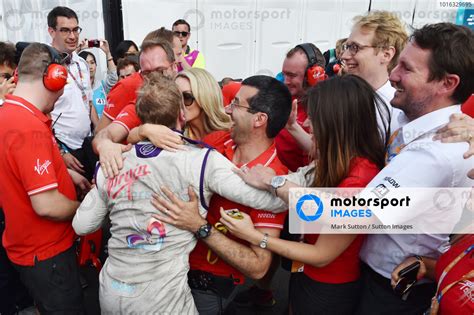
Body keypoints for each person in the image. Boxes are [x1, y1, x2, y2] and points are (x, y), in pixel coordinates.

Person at [72, 73, 286, 314]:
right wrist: (297, 191)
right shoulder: (204, 158)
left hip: (113, 290)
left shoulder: (113, 162)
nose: (228, 109)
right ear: (181, 114)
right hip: (161, 297)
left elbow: (82, 226)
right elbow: (268, 200)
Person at [205, 75, 388, 314]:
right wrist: (292, 128)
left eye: (314, 118)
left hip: (327, 287)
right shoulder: (337, 159)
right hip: (306, 276)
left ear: (336, 123)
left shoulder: (359, 178)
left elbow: (321, 255)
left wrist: (257, 236)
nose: (309, 123)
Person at [150, 75, 292, 314]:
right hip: (169, 263)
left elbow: (259, 267)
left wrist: (199, 226)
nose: (227, 109)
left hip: (206, 283)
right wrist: (142, 131)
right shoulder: (217, 140)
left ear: (259, 119)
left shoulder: (276, 180)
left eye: (236, 104)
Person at [0, 43, 90, 314]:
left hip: (29, 250)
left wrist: (64, 173)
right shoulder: (28, 128)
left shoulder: (10, 113)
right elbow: (47, 205)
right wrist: (88, 209)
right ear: (54, 78)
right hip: (48, 255)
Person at [96, 67, 231, 178]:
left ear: (206, 98)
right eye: (175, 96)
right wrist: (145, 130)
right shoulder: (168, 128)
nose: (179, 103)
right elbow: (128, 137)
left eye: (187, 97)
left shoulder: (228, 137)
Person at [97, 27, 182, 131]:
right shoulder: (127, 86)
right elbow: (100, 132)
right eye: (178, 54)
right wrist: (138, 134)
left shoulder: (178, 84)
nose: (181, 60)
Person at [278, 43, 325, 172]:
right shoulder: (283, 97)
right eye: (284, 74)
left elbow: (326, 155)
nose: (285, 81)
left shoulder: (329, 107)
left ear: (313, 75)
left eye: (292, 75)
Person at [79, 40, 118, 118]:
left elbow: (113, 78)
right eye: (86, 63)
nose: (90, 67)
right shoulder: (76, 87)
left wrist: (108, 53)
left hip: (102, 128)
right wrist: (77, 50)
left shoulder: (102, 86)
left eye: (92, 63)